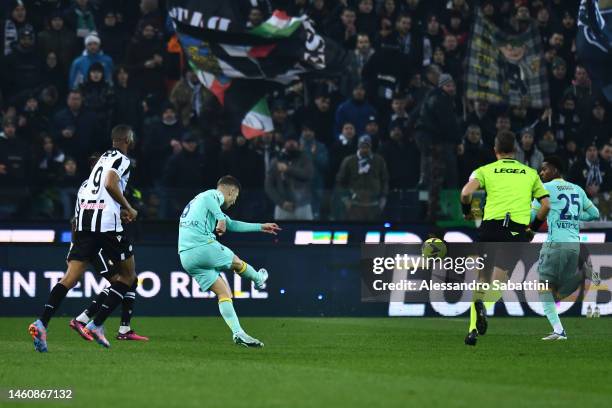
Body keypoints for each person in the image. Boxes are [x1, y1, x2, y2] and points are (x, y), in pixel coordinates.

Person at [28, 125, 139, 351]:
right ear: (127, 139)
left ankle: (42, 322)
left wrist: (118, 209)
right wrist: (129, 207)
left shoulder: (102, 159)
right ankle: (96, 324)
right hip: (106, 226)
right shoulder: (122, 159)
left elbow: (96, 189)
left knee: (69, 278)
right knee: (128, 277)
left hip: (85, 224)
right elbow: (109, 183)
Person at [460, 130, 551, 346]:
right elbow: (546, 205)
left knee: (482, 279)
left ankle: (472, 331)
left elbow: (465, 193)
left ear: (495, 150)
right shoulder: (530, 173)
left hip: (490, 228)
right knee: (499, 282)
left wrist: (466, 211)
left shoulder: (484, 170)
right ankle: (482, 310)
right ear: (516, 151)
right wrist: (532, 229)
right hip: (516, 230)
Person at [178, 175, 281, 347]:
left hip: (186, 257)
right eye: (235, 197)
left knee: (224, 292)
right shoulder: (212, 195)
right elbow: (209, 199)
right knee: (236, 262)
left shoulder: (202, 204)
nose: (234, 202)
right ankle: (258, 278)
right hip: (201, 246)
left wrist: (260, 227)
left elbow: (231, 224)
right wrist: (220, 218)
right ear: (231, 191)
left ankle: (238, 333)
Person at [68, 153, 148, 342]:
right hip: (93, 245)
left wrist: (120, 213)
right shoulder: (89, 188)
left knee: (129, 280)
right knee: (121, 281)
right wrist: (75, 248)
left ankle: (123, 328)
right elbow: (76, 221)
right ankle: (85, 320)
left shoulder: (95, 190)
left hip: (97, 241)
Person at [532, 156, 599, 340]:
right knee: (555, 294)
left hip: (555, 243)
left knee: (544, 288)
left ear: (554, 170)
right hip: (574, 245)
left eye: (544, 169)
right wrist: (574, 217)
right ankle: (583, 274)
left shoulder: (545, 189)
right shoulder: (577, 189)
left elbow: (531, 215)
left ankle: (559, 331)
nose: (541, 173)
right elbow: (595, 214)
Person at [336, 134, 389, 221]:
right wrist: (345, 199)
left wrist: (383, 198)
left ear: (370, 146)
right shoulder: (349, 161)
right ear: (358, 146)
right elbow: (340, 181)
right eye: (362, 145)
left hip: (374, 203)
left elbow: (385, 179)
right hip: (355, 203)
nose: (364, 148)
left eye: (367, 146)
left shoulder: (379, 160)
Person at [265, 139, 314, 220]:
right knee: (281, 232)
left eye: (294, 141)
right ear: (284, 144)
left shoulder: (305, 159)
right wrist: (281, 202)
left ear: (298, 144)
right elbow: (268, 186)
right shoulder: (276, 161)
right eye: (288, 141)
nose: (291, 144)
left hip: (303, 206)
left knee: (307, 231)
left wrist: (287, 169)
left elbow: (308, 174)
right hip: (283, 207)